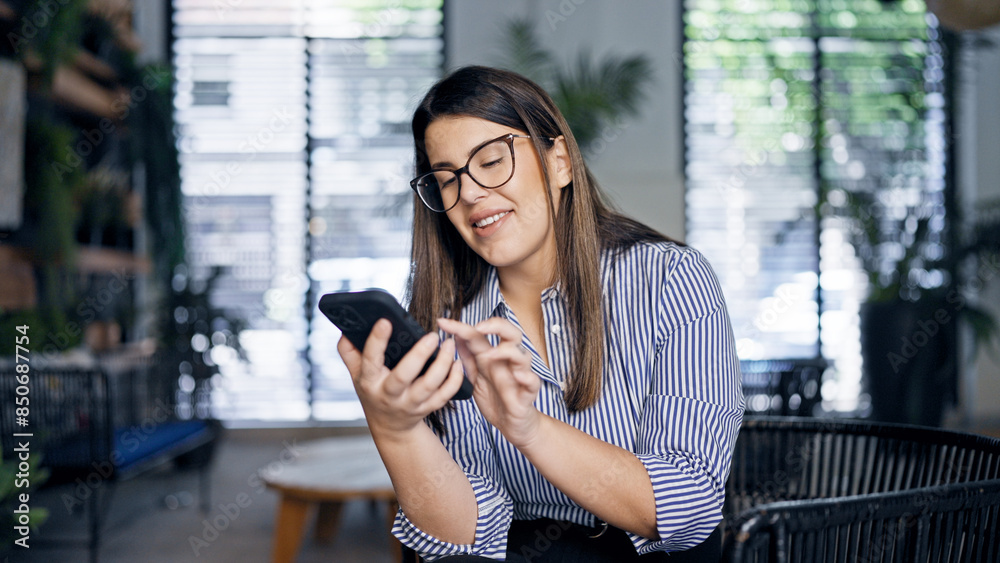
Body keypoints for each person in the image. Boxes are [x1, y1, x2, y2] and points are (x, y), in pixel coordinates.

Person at [337, 65, 744, 562]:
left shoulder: (671, 280)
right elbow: (464, 538)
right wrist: (394, 427)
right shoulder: (448, 316)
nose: (468, 194)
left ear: (560, 163)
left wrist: (528, 427)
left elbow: (688, 505)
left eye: (490, 160)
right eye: (446, 179)